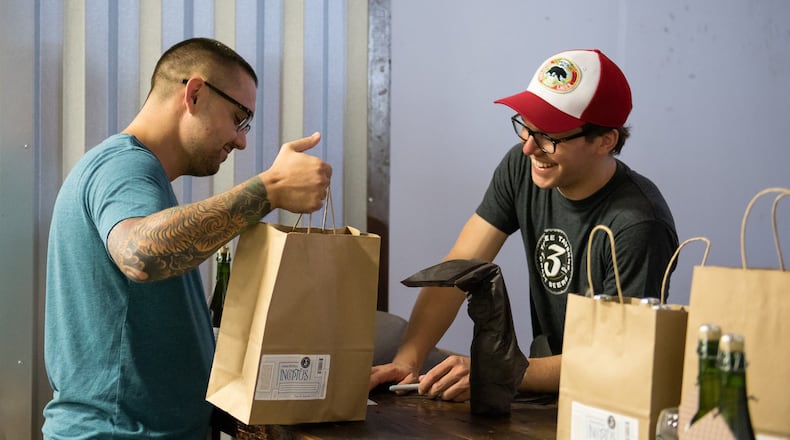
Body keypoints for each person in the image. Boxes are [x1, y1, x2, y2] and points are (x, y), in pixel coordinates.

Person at [42, 38, 332, 439]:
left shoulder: (139, 176)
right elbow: (142, 255)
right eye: (239, 117)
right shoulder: (123, 167)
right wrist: (269, 189)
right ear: (194, 94)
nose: (242, 140)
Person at [370, 49, 678, 401]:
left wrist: (500, 369)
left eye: (550, 136)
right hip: (539, 385)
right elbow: (457, 269)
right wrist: (408, 360)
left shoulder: (638, 224)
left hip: (606, 402)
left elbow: (616, 357)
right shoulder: (522, 168)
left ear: (605, 140)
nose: (530, 147)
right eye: (526, 126)